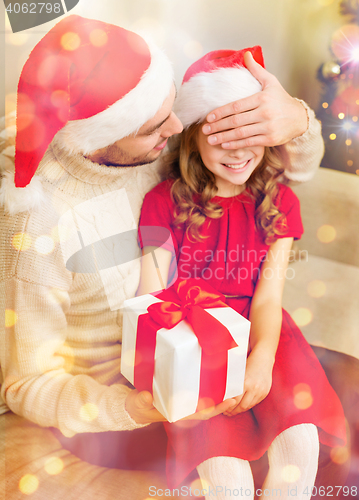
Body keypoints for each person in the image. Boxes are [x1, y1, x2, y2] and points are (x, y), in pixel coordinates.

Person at [0, 14, 326, 498]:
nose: (177, 128)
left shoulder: (156, 151)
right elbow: (25, 386)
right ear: (101, 135)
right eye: (157, 126)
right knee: (234, 474)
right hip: (124, 401)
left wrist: (295, 118)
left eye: (174, 109)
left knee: (307, 434)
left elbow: (288, 169)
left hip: (207, 344)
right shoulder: (38, 224)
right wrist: (135, 407)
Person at [137, 47, 346, 499]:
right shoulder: (162, 201)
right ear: (192, 136)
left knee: (300, 444)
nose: (237, 150)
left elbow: (270, 299)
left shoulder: (280, 202)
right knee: (225, 476)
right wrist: (176, 367)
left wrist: (262, 358)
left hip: (267, 333)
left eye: (248, 132)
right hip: (193, 339)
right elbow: (150, 298)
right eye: (220, 135)